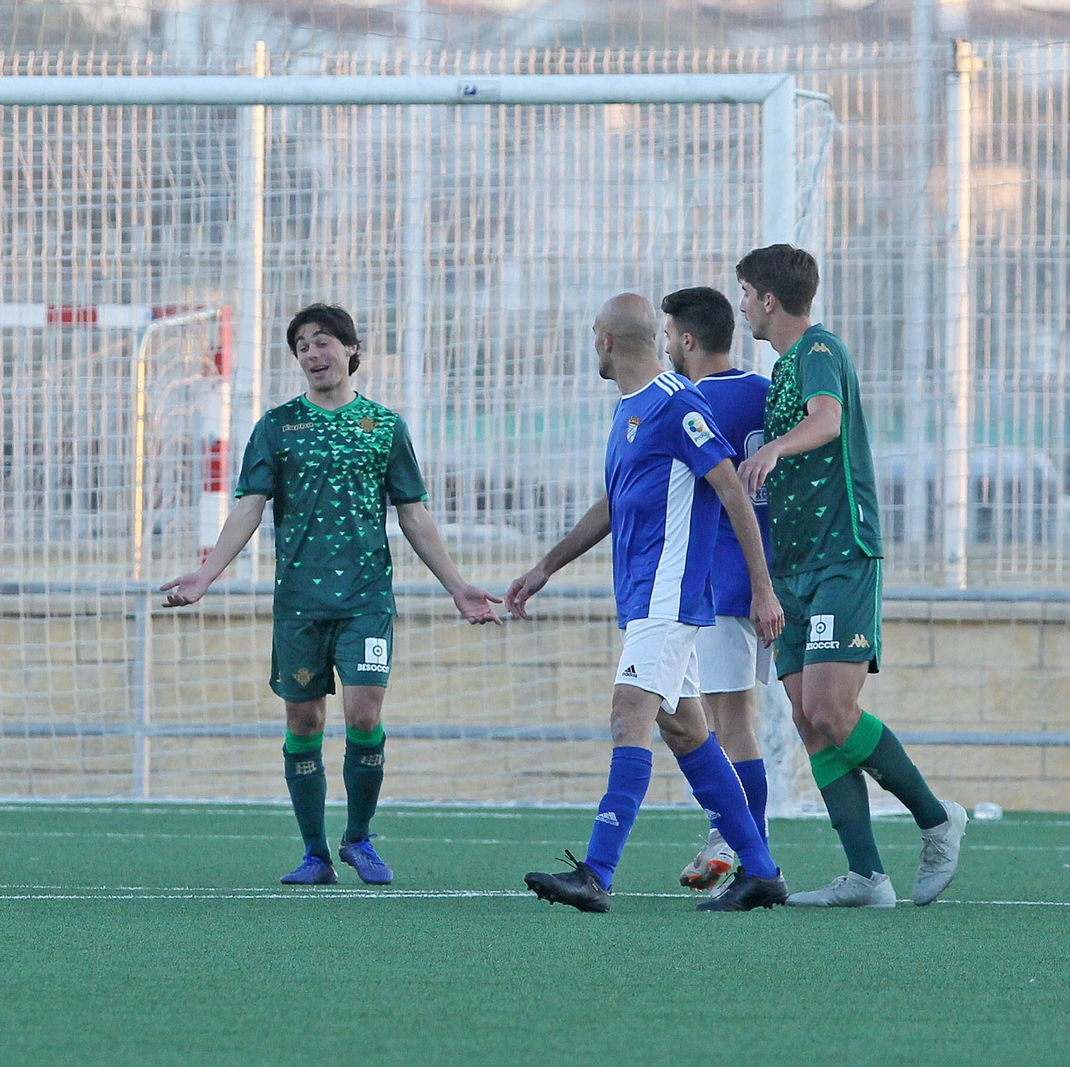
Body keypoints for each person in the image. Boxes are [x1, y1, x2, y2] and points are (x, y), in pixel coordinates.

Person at [160, 303, 502, 886]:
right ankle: (315, 854)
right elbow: (248, 507)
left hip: (366, 600)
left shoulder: (384, 427)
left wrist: (458, 586)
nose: (313, 354)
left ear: (349, 349)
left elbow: (413, 515)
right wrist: (206, 573)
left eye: (322, 343)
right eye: (301, 347)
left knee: (364, 712)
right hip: (298, 603)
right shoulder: (277, 425)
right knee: (305, 723)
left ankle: (359, 838)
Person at [508, 293, 787, 913]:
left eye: (591, 334)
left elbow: (733, 491)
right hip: (642, 599)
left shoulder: (677, 403)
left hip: (670, 595)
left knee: (628, 714)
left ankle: (597, 872)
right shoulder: (629, 413)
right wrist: (545, 567)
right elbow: (613, 503)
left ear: (606, 340)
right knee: (687, 732)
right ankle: (762, 871)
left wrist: (762, 585)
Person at [734, 244, 965, 908]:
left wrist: (776, 447)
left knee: (833, 709)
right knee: (810, 721)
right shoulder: (780, 370)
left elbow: (828, 420)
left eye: (746, 292)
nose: (744, 303)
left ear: (770, 299)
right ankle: (867, 874)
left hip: (842, 555)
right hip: (794, 567)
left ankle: (936, 818)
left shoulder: (817, 351)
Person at [660, 286, 776, 890]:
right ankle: (731, 844)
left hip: (726, 583)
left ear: (686, 339)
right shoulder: (764, 392)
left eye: (669, 335)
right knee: (729, 720)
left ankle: (743, 853)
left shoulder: (690, 403)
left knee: (728, 724)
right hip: (770, 578)